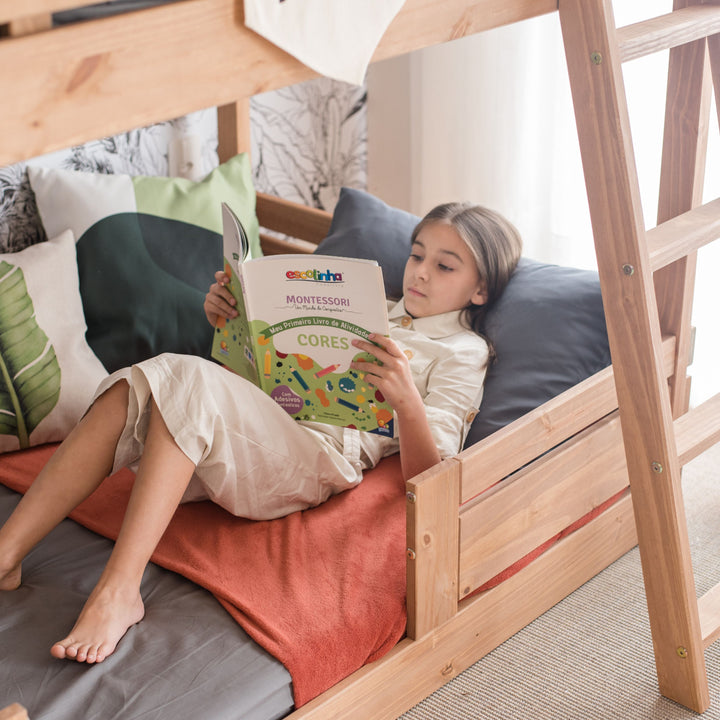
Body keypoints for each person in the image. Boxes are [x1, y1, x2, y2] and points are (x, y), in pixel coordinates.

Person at [0, 201, 521, 664]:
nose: (421, 273)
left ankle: (118, 592)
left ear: (479, 290)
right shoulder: (366, 309)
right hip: (257, 428)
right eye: (417, 254)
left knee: (179, 376)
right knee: (137, 385)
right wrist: (230, 325)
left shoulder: (462, 352)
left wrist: (406, 401)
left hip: (315, 458)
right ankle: (6, 555)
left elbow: (432, 474)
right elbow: (265, 376)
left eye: (444, 265)